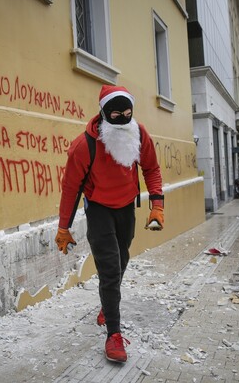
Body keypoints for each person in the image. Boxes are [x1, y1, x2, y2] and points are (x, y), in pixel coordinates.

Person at [55, 85, 164, 363]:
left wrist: (157, 205)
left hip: (127, 206)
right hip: (99, 209)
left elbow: (151, 167)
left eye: (128, 114)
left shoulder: (138, 133)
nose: (123, 120)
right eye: (116, 115)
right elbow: (71, 188)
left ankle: (107, 304)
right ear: (104, 114)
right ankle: (113, 335)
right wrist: (63, 227)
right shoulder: (84, 146)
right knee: (110, 268)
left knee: (122, 257)